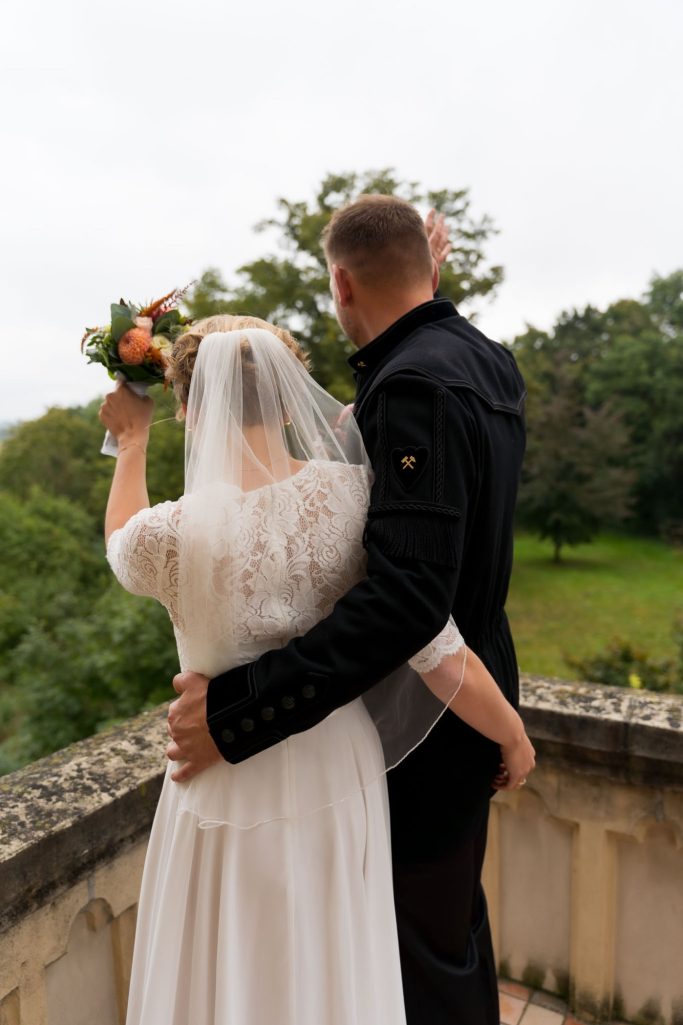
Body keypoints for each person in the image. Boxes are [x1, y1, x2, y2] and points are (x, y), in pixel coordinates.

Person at [100, 312, 533, 1025]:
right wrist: (510, 732)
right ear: (285, 389)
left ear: (188, 405)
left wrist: (132, 441)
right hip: (338, 766)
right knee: (334, 960)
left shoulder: (165, 536)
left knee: (231, 961)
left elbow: (120, 537)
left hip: (218, 772)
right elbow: (434, 645)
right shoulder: (352, 497)